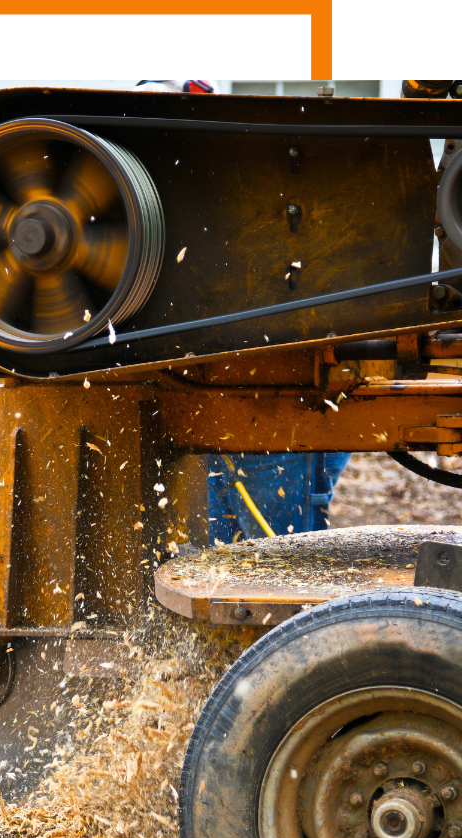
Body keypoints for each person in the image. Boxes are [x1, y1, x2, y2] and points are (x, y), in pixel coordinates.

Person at [136, 78, 350, 543]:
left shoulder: (245, 189)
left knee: (276, 554)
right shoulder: (186, 192)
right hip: (222, 396)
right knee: (233, 552)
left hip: (267, 395)